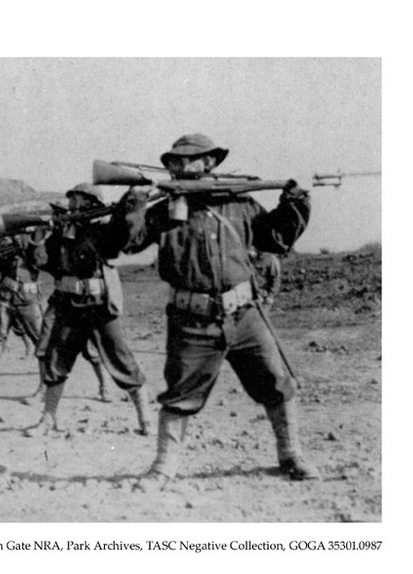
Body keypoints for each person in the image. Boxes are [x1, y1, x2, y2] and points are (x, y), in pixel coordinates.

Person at [120, 133, 319, 489]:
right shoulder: (164, 209)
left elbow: (274, 238)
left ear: (210, 163)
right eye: (176, 161)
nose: (182, 166)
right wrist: (133, 207)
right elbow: (127, 243)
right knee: (179, 396)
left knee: (276, 384)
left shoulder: (240, 204)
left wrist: (295, 204)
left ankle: (291, 455)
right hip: (191, 320)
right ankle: (163, 468)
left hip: (245, 314)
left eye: (191, 159)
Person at [27, 183, 152, 437]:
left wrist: (133, 202)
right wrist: (38, 239)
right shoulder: (62, 234)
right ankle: (48, 419)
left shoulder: (105, 230)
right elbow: (41, 263)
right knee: (56, 361)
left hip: (98, 307)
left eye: (78, 200)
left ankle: (146, 418)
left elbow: (126, 236)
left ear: (92, 203)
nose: (71, 205)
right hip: (68, 306)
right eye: (70, 200)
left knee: (121, 359)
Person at [0, 233, 45, 380]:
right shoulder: (1, 257)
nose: (4, 242)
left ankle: (46, 370)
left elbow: (40, 261)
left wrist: (31, 244)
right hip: (4, 298)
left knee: (39, 336)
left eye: (9, 239)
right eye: (2, 240)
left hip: (27, 299)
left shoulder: (30, 253)